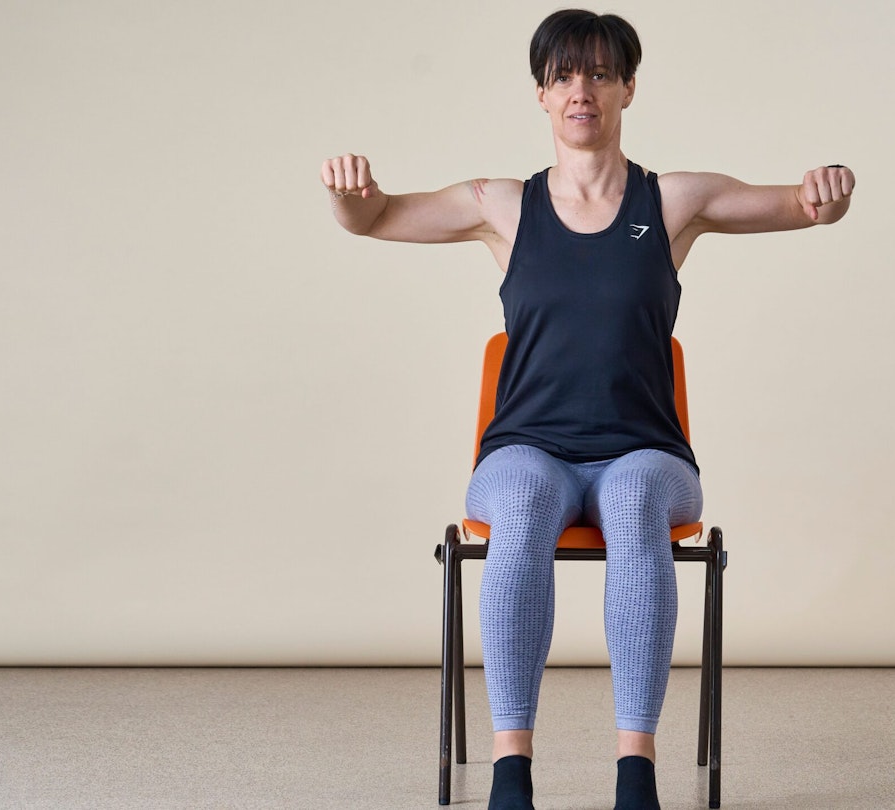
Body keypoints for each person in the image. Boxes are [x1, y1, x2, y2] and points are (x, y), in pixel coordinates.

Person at [321, 9, 853, 810]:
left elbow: (798, 206)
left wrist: (828, 193)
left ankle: (634, 771)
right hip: (525, 448)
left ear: (627, 89)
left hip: (646, 452)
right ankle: (511, 772)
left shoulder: (669, 201)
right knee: (526, 500)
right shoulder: (501, 206)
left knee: (635, 499)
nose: (583, 90)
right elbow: (379, 217)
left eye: (601, 73)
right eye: (566, 75)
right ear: (541, 93)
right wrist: (348, 196)